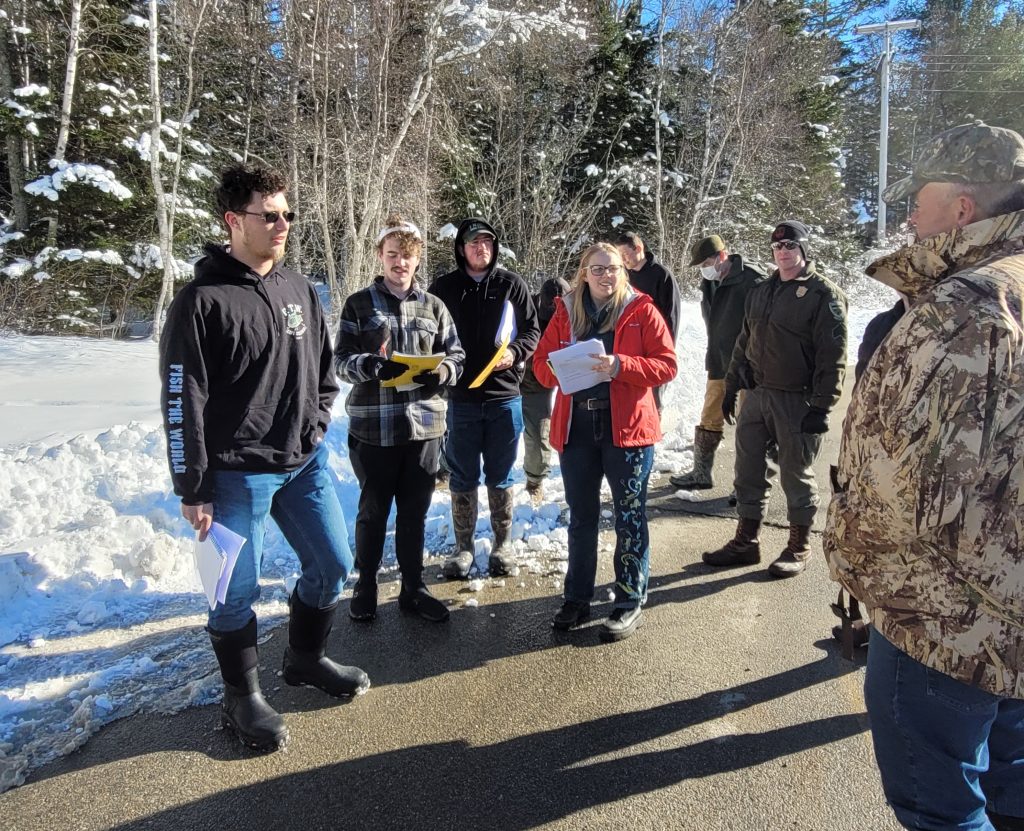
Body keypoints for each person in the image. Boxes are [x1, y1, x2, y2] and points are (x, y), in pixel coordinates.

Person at [824, 120, 1024, 831]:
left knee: (941, 805)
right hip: (1008, 618)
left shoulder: (966, 306)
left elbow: (908, 490)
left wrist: (856, 566)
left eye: (920, 196)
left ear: (964, 208)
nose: (909, 214)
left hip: (947, 620)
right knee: (1012, 786)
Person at [159, 163, 368, 752]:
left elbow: (323, 372)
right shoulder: (201, 302)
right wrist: (191, 484)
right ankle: (241, 697)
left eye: (287, 214)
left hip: (302, 463)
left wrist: (318, 421)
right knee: (231, 591)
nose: (282, 224)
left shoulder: (299, 287)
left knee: (333, 563)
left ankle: (304, 659)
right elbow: (181, 397)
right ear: (233, 221)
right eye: (267, 215)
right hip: (233, 474)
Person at [533, 243, 676, 641]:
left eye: (612, 268)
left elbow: (667, 364)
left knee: (629, 516)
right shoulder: (565, 311)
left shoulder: (641, 309)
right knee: (582, 517)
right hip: (576, 429)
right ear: (584, 273)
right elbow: (541, 368)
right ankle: (577, 598)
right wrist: (561, 367)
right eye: (597, 269)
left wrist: (620, 365)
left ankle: (629, 599)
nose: (605, 276)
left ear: (623, 271)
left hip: (626, 430)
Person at [334, 214, 465, 624]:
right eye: (392, 255)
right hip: (374, 427)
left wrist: (442, 372)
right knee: (373, 511)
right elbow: (339, 362)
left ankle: (413, 587)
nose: (400, 264)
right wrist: (371, 366)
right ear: (380, 256)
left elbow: (457, 356)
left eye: (407, 257)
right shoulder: (358, 304)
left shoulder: (435, 307)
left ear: (417, 259)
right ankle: (366, 585)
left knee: (415, 512)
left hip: (424, 427)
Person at [702, 220, 847, 578]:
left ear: (803, 250)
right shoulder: (762, 290)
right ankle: (746, 541)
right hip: (757, 396)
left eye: (791, 247)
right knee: (748, 470)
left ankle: (798, 545)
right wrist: (733, 384)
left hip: (796, 400)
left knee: (795, 473)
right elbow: (744, 340)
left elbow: (834, 356)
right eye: (778, 248)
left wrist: (822, 406)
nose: (783, 253)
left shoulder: (822, 294)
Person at [429, 219, 540, 579]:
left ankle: (502, 544)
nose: (482, 249)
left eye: (488, 243)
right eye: (475, 243)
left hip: (504, 397)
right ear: (461, 248)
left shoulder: (512, 285)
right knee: (462, 475)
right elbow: (430, 335)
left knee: (501, 473)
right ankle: (463, 549)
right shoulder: (443, 288)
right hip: (460, 398)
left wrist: (518, 353)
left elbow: (532, 330)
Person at [670, 234, 766, 490]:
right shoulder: (710, 284)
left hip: (748, 365)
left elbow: (763, 326)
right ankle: (701, 473)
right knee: (709, 416)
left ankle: (746, 484)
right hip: (719, 360)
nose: (704, 270)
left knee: (749, 424)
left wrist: (751, 360)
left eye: (706, 263)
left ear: (721, 256)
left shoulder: (752, 280)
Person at [614, 231, 681, 411]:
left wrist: (666, 349)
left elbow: (671, 317)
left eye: (625, 254)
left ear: (638, 248)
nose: (623, 260)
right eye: (619, 256)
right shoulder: (623, 276)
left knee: (652, 399)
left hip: (653, 346)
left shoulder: (662, 275)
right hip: (629, 349)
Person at [519, 275, 571, 502]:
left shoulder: (575, 312)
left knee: (541, 432)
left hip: (553, 377)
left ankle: (535, 480)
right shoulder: (524, 308)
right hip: (520, 378)